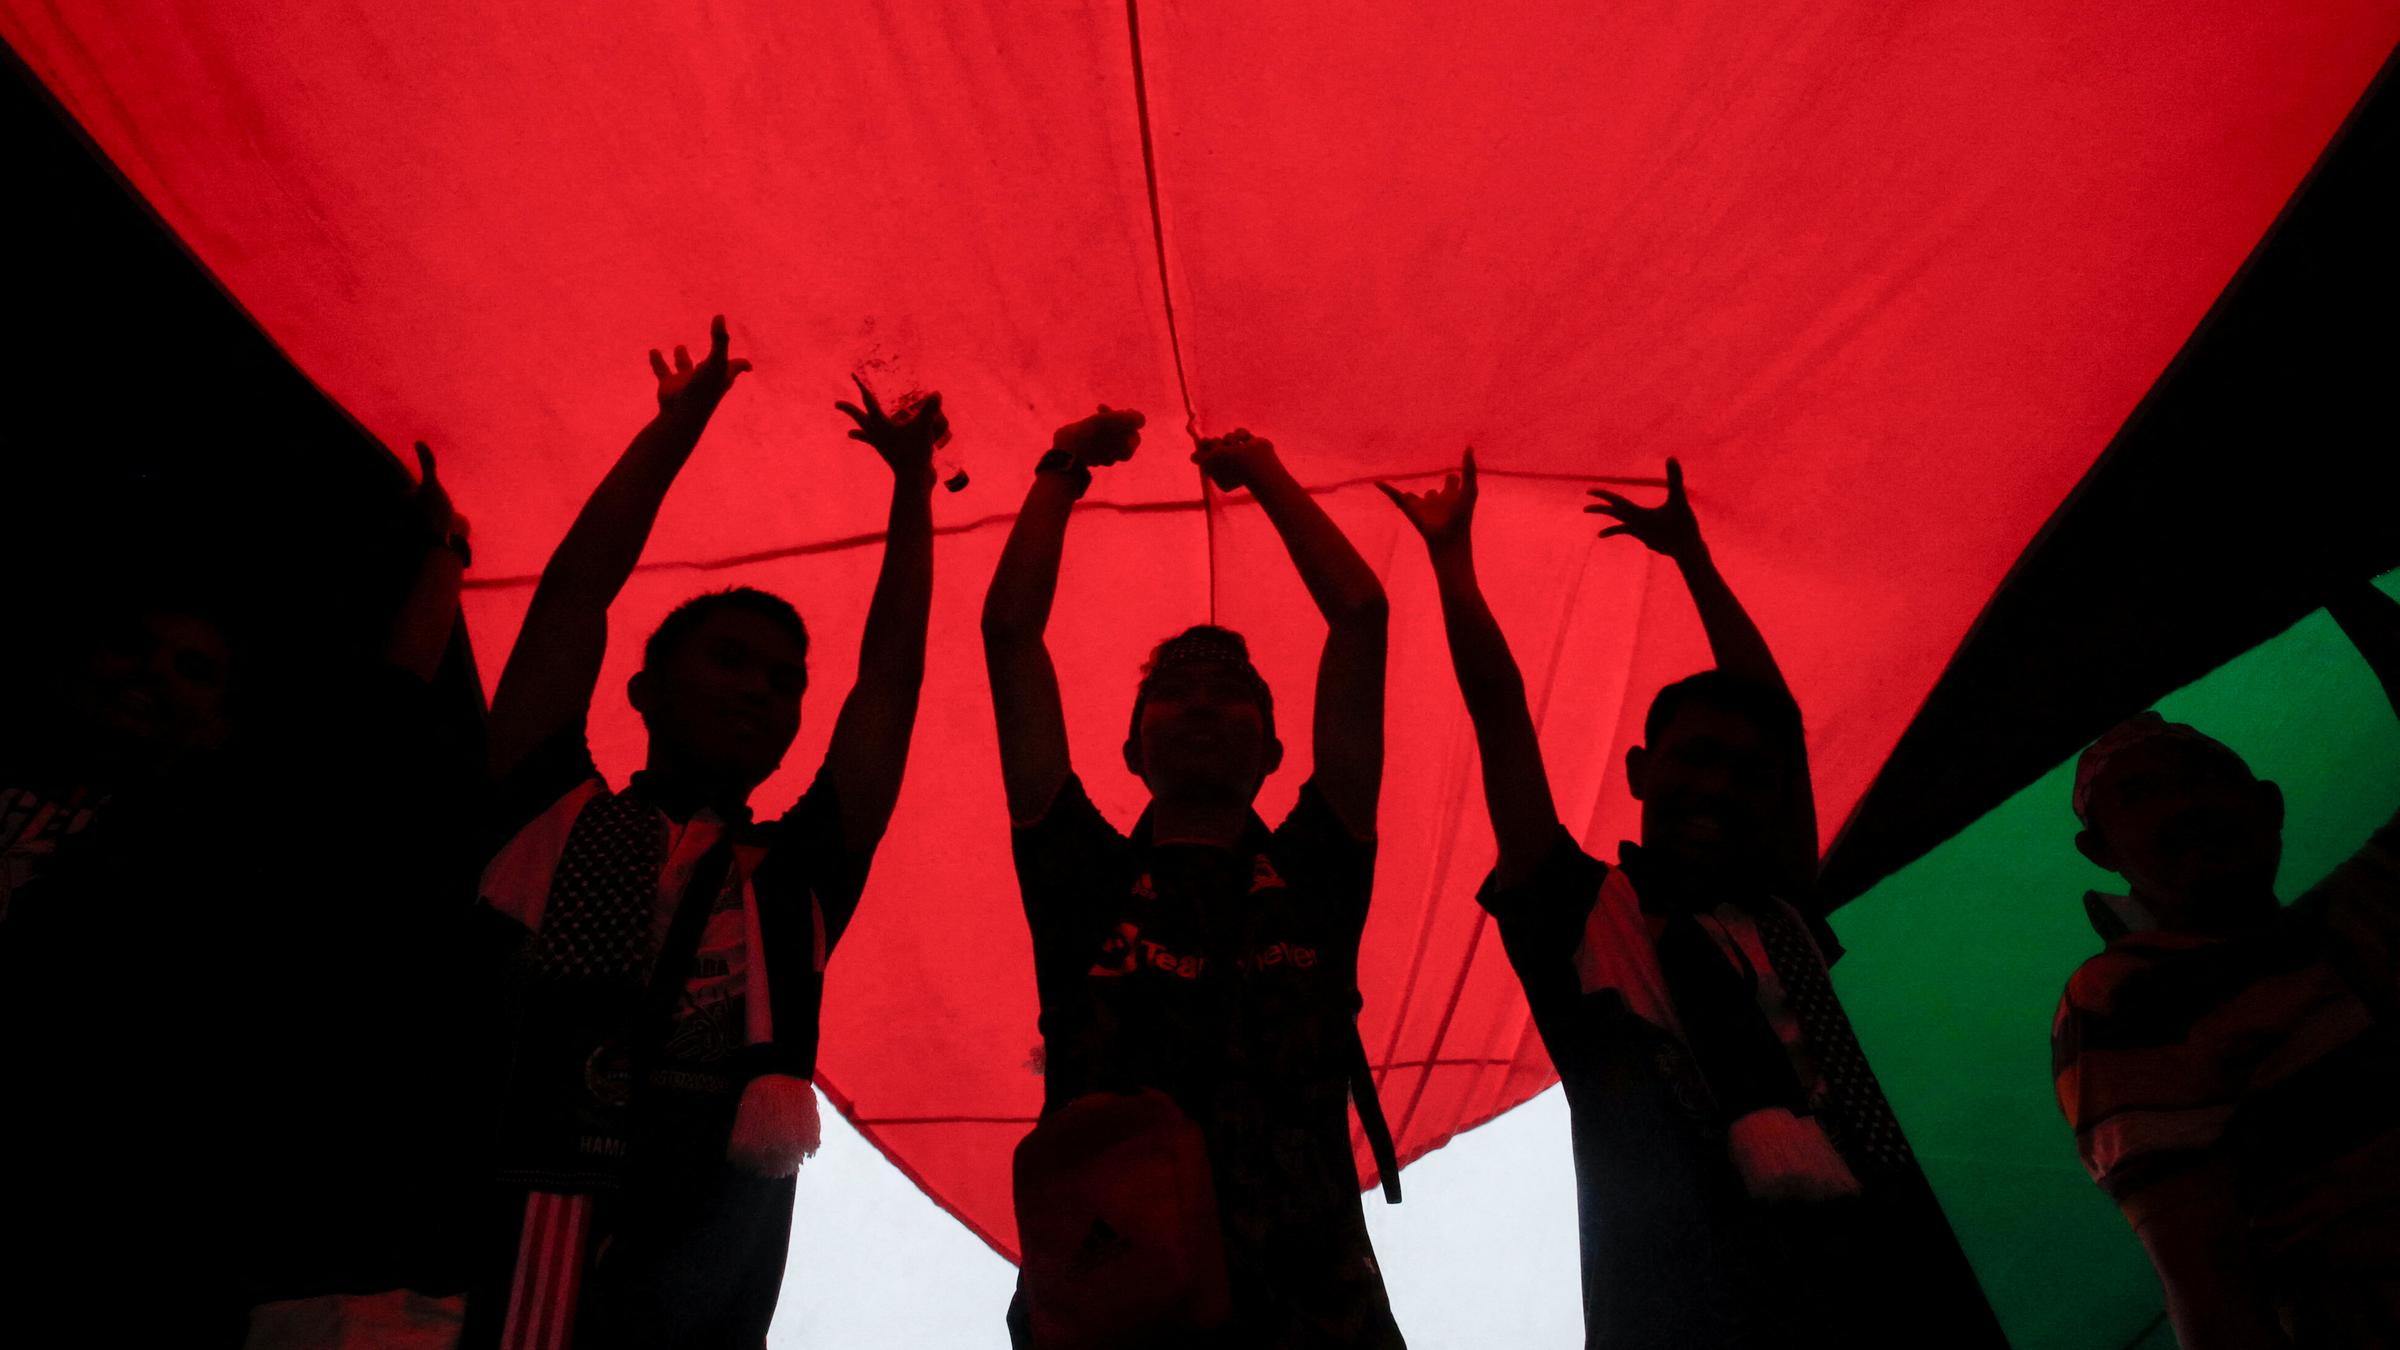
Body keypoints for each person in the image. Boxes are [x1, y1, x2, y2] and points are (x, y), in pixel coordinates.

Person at [1379, 452, 2005, 1348]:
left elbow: (1778, 722)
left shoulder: (1777, 912)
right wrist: (1453, 563)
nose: (1720, 788)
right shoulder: (1584, 910)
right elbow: (1500, 712)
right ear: (1641, 773)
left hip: (1889, 1278)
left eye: (1750, 776)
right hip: (1691, 1298)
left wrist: (1694, 563)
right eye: (1695, 760)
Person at [463, 317, 939, 1349]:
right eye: (729, 659)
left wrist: (914, 488)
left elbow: (890, 686)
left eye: (785, 683)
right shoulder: (547, 816)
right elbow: (573, 596)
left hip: (698, 1316)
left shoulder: (796, 874)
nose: (761, 691)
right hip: (493, 1290)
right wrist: (681, 426)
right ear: (642, 689)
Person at [983, 414, 1405, 1347]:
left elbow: (1363, 618)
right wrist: (1060, 468)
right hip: (1111, 1300)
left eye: (1233, 693)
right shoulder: (1080, 872)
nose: (1204, 703)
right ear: (1131, 748)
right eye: (1174, 693)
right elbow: (1010, 634)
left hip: (1312, 1301)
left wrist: (1265, 468)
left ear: (1274, 748)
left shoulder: (1314, 868)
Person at [2053, 579, 2400, 1349]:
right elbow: (2208, 1287)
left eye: (2201, 777)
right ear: (2102, 852)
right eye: (2139, 795)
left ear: (2269, 805)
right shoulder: (2127, 997)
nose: (2183, 807)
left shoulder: (2363, 910)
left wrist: (2335, 576)